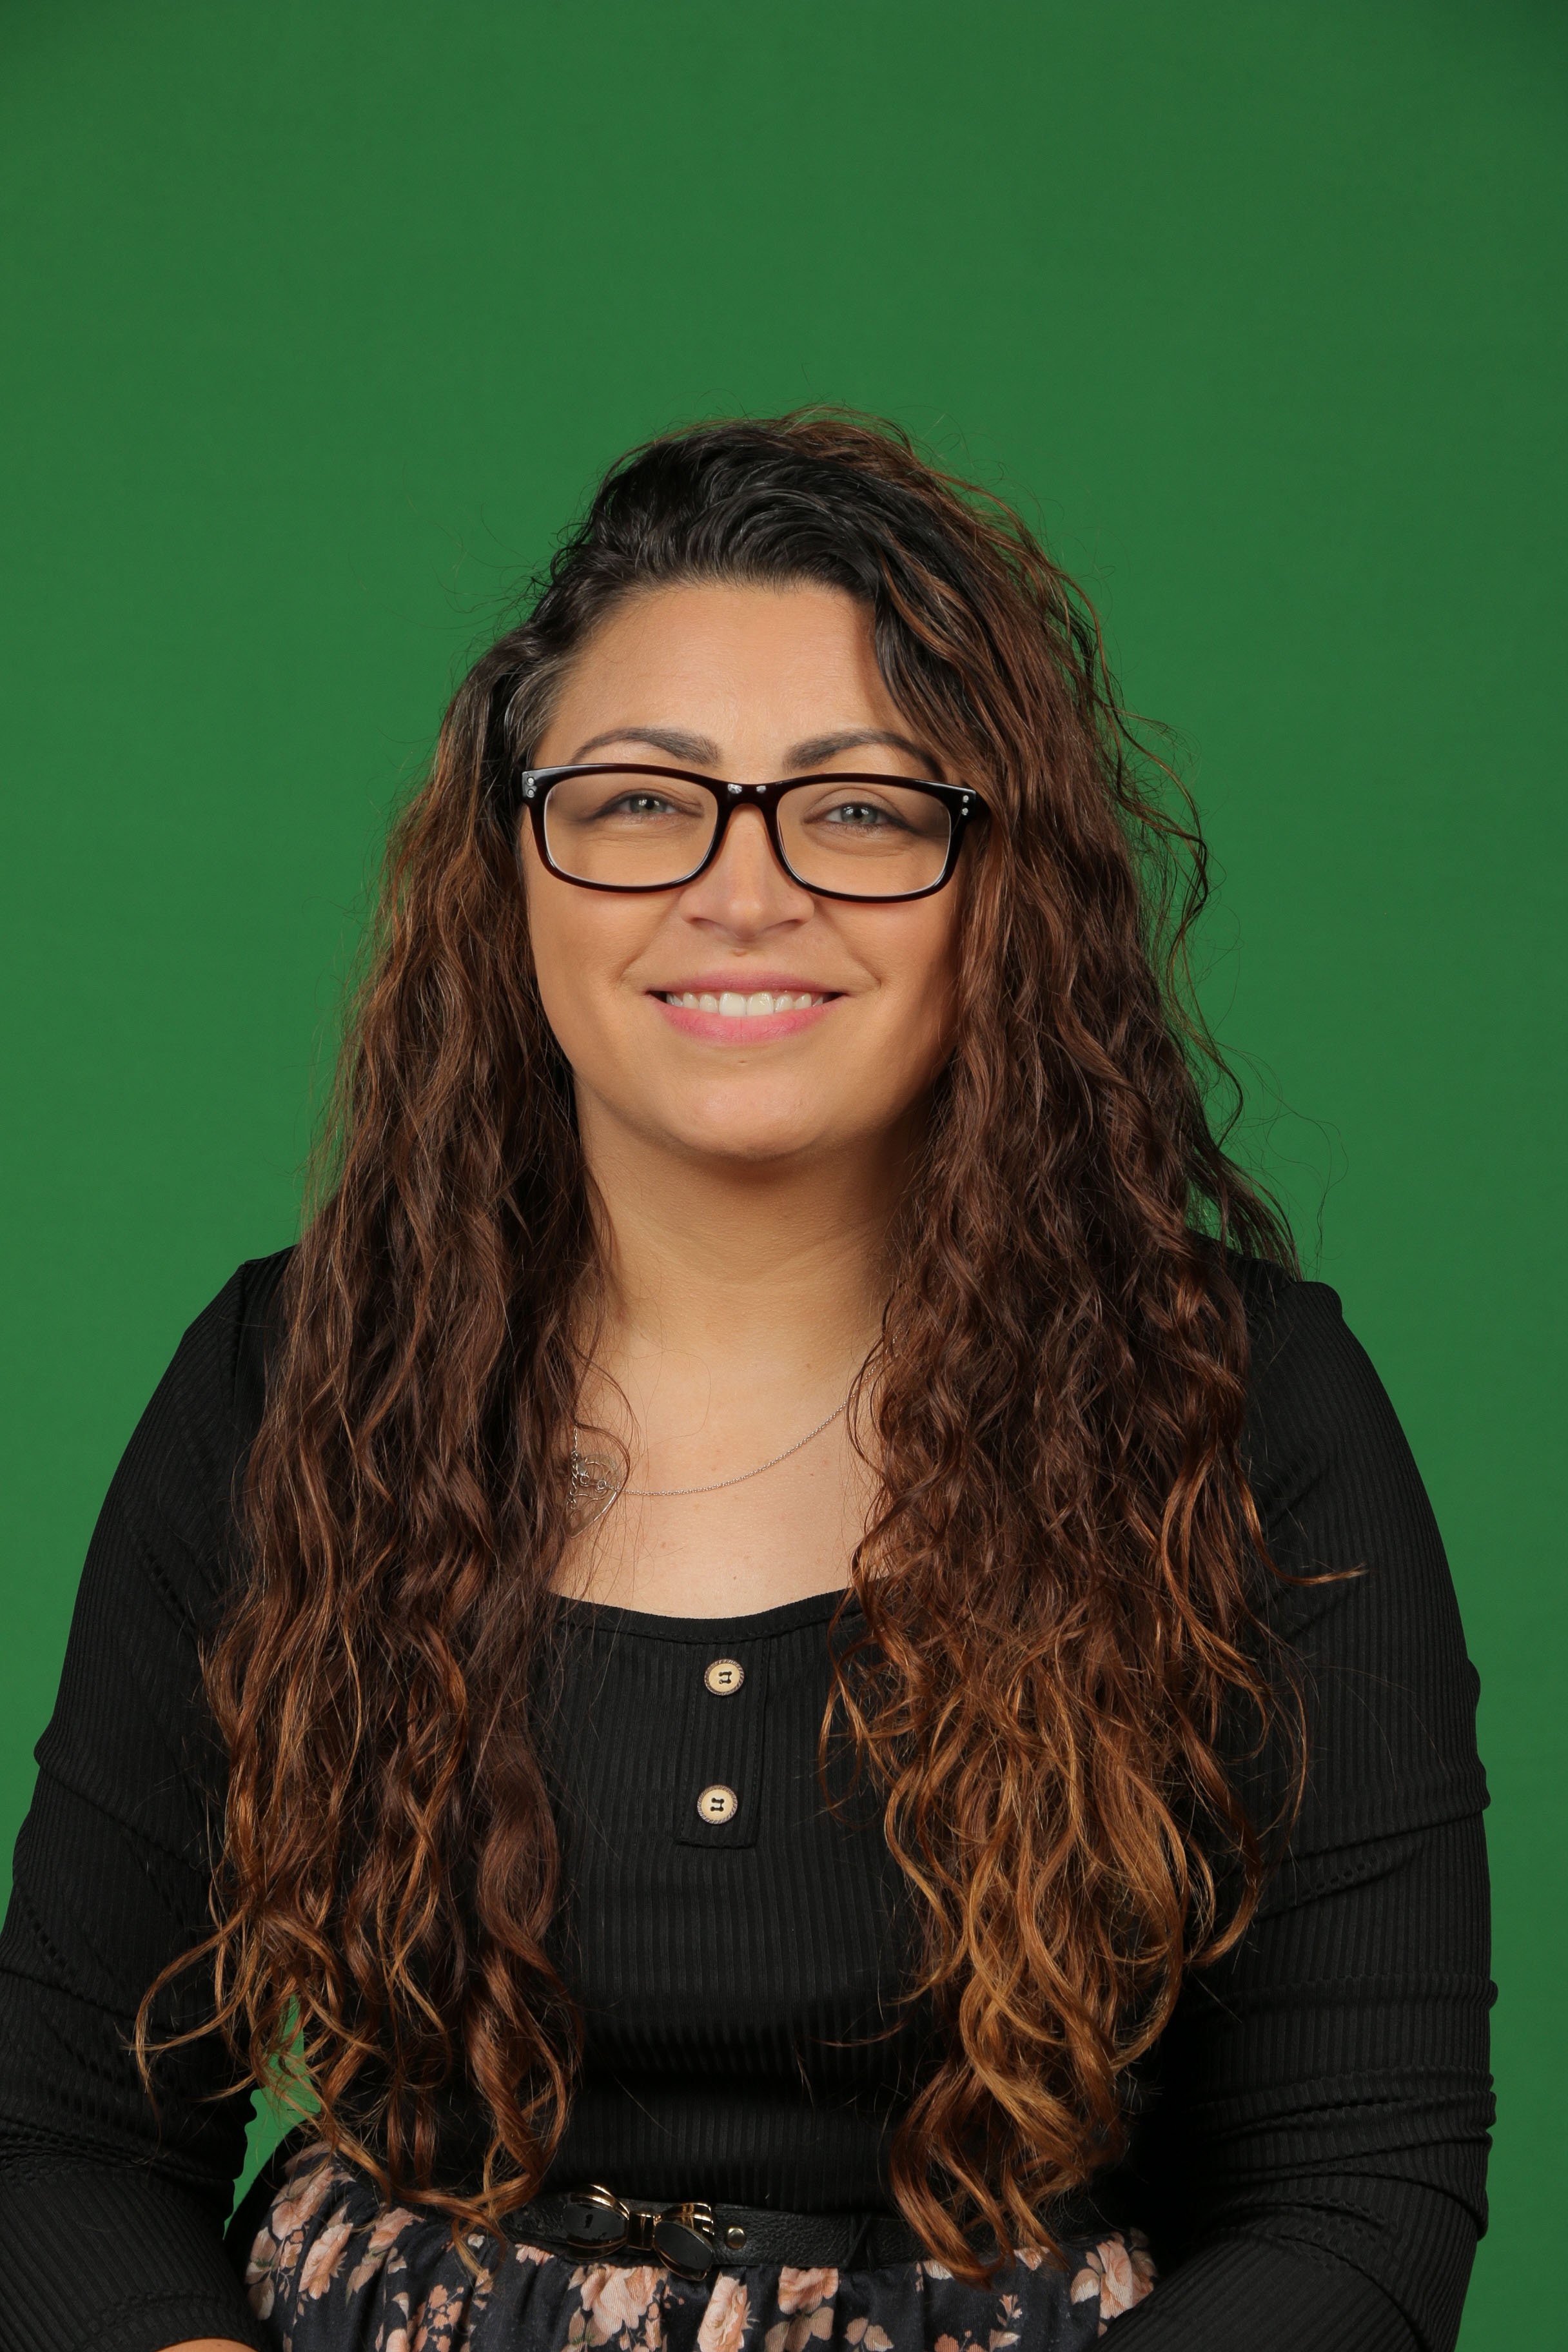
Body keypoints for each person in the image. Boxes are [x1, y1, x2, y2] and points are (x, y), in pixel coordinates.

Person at [0, 415, 1491, 2352]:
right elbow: (61, 2135)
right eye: (640, 799)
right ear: (512, 862)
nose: (742, 888)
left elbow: (1363, 2201)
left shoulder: (1248, 1411)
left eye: (858, 808)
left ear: (998, 884)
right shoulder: (293, 1384)